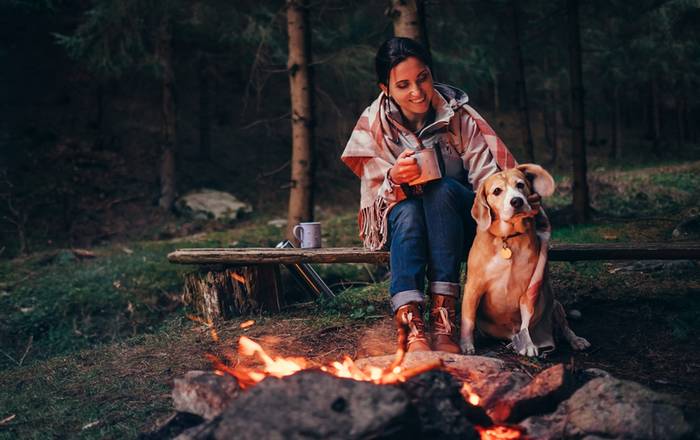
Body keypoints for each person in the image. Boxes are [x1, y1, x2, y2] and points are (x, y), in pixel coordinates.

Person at [341, 37, 537, 354]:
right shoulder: (374, 124)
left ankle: (444, 317)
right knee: (408, 211)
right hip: (408, 223)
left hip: (460, 218)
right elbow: (376, 198)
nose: (417, 91)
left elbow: (488, 181)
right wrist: (393, 176)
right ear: (385, 88)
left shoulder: (458, 116)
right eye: (403, 85)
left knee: (441, 189)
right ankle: (411, 321)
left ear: (431, 73)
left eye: (423, 78)